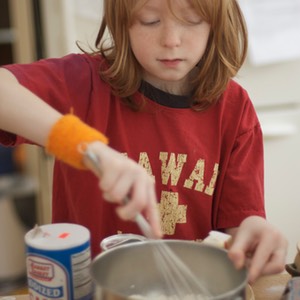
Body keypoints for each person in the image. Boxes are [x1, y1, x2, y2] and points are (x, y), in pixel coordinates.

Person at [0, 0, 287, 283]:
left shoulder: (234, 109)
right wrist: (88, 146)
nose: (171, 40)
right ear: (122, 24)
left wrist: (255, 231)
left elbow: (238, 226)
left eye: (192, 20)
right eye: (150, 21)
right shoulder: (83, 83)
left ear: (216, 23)